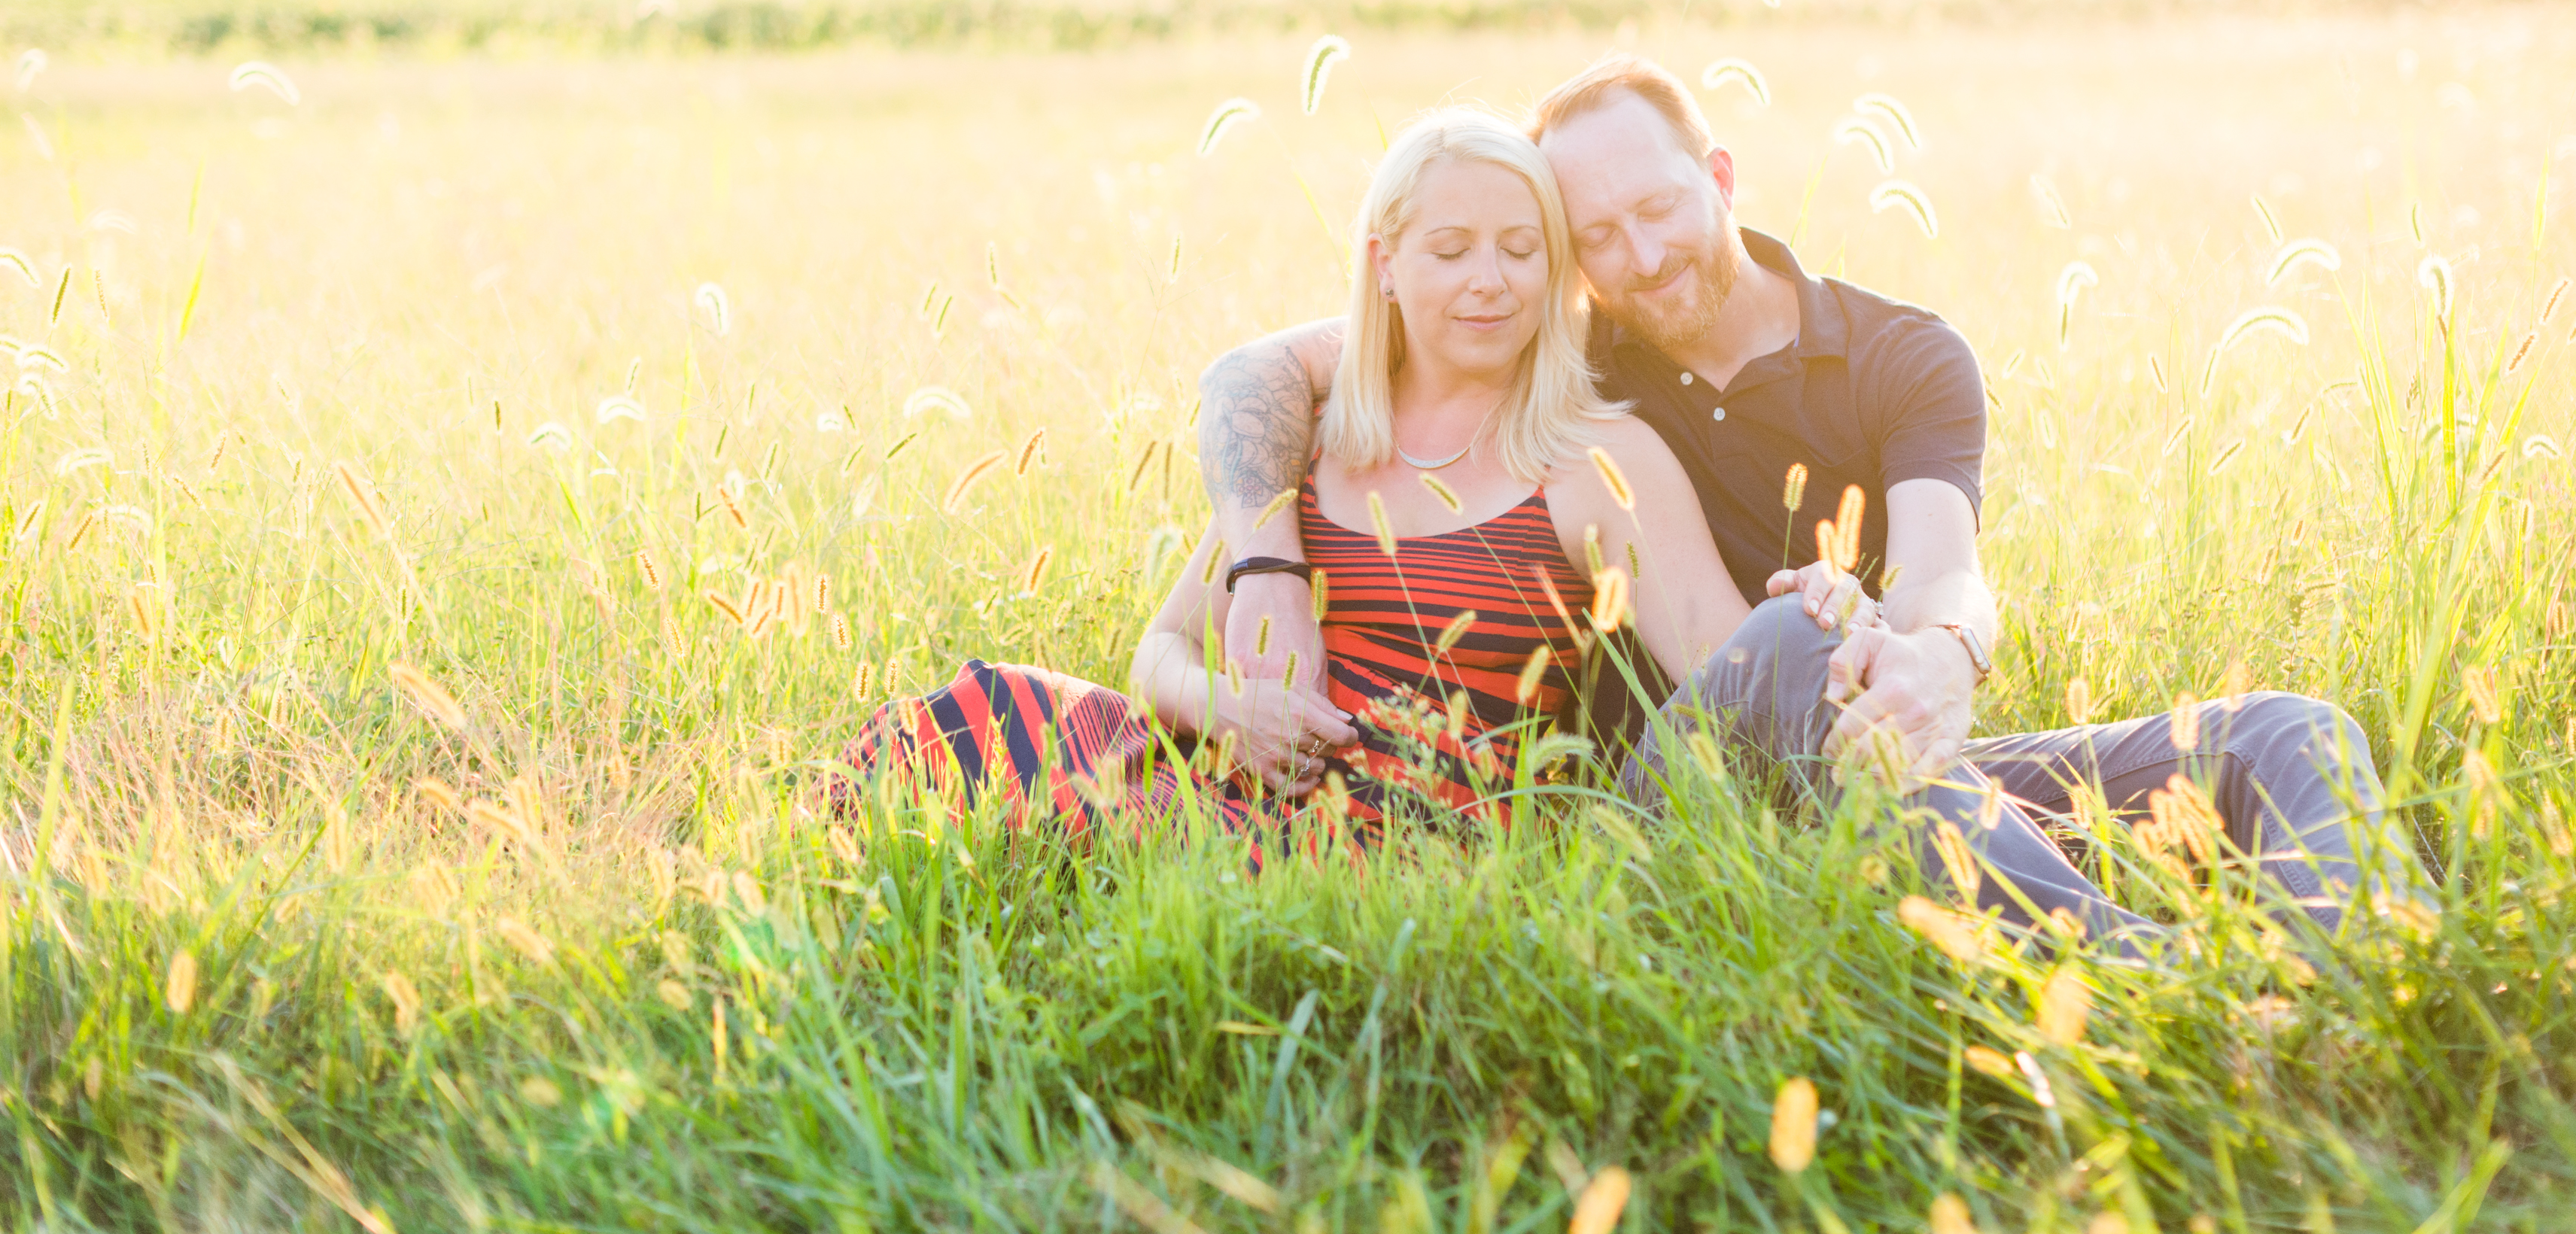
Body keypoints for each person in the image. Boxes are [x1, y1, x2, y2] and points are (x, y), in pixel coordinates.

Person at [1197, 54, 2421, 949]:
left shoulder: (1900, 357)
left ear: (1719, 178)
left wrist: (1941, 655)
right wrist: (1265, 572)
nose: (1640, 257)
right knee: (1804, 641)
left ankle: (2365, 980)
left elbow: (1944, 568)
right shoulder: (1566, 357)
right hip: (1672, 803)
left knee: (2289, 731)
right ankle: (2154, 981)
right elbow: (1260, 373)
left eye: (1660, 209)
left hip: (1868, 748)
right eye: (1596, 238)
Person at [832, 107, 1807, 849]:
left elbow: (1734, 673)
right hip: (1224, 776)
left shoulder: (1596, 459)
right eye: (1451, 249)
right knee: (981, 711)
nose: (1489, 281)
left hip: (1400, 841)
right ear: (1386, 265)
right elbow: (1160, 654)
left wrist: (1835, 632)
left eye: (1522, 251)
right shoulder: (1316, 440)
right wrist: (1230, 710)